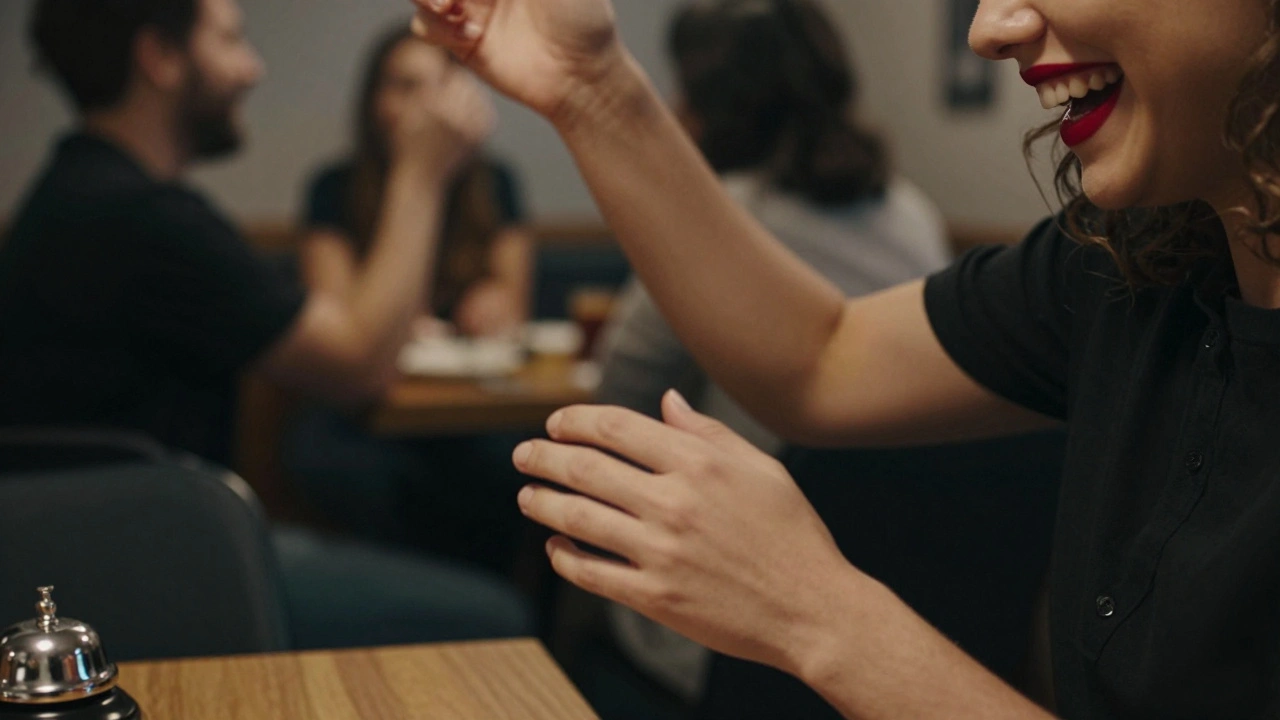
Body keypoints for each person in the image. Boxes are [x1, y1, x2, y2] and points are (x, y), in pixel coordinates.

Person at [412, 0, 1280, 716]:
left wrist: (819, 615)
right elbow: (823, 359)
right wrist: (589, 88)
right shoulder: (1128, 262)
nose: (990, 27)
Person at [0, 0, 528, 648]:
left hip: (113, 542)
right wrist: (420, 174)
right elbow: (358, 365)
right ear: (160, 58)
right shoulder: (145, 220)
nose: (253, 69)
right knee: (497, 622)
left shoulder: (86, 193)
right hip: (139, 563)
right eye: (230, 41)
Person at [595, 0, 949, 701]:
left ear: (712, 106)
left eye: (682, 90)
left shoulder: (710, 221)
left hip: (746, 632)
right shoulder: (913, 216)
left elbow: (614, 406)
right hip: (921, 615)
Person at [284, 25, 534, 572]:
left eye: (437, 84)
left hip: (469, 408)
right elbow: (342, 325)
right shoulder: (334, 189)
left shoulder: (496, 185)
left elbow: (513, 307)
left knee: (514, 466)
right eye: (402, 85)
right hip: (369, 412)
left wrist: (494, 302)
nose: (423, 104)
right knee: (342, 463)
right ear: (374, 100)